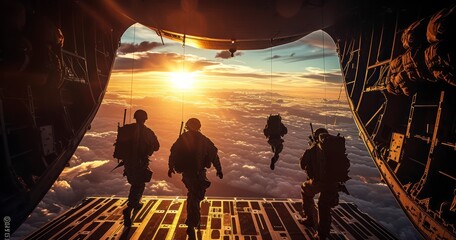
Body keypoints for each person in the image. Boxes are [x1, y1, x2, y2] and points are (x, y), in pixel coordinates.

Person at [168, 118, 223, 239]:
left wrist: (170, 167)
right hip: (199, 174)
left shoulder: (182, 139)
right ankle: (192, 223)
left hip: (187, 175)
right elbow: (214, 155)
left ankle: (193, 222)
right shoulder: (204, 140)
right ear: (199, 126)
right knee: (196, 196)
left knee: (193, 195)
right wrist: (219, 169)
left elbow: (173, 153)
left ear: (187, 126)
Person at [299, 127, 349, 240]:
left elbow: (302, 165)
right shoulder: (334, 149)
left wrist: (310, 149)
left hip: (319, 182)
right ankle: (322, 235)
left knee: (304, 189)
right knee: (324, 205)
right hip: (334, 183)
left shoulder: (313, 149)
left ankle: (309, 219)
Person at [120, 109, 160, 227]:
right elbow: (157, 146)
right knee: (139, 184)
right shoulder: (147, 132)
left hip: (128, 163)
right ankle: (130, 207)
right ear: (145, 118)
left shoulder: (127, 129)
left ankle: (135, 203)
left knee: (135, 183)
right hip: (140, 162)